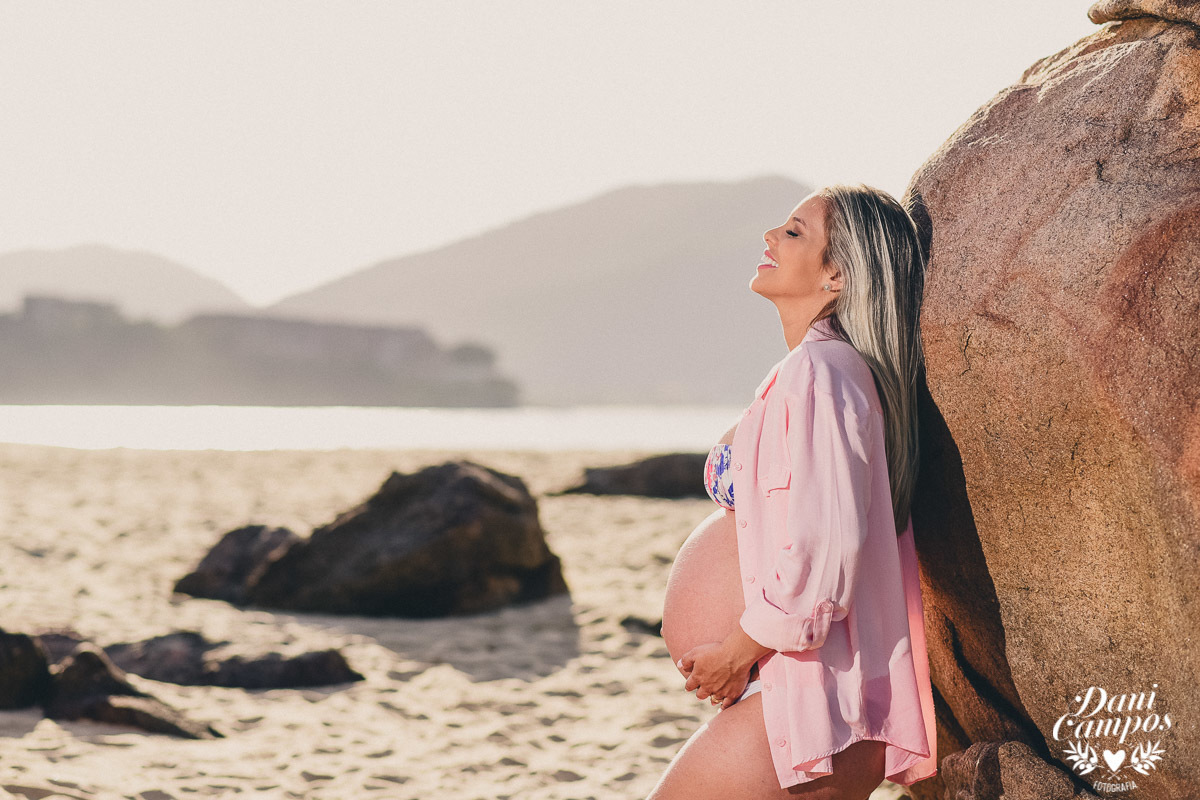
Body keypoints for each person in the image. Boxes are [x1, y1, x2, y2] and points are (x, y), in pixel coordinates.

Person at [649, 184, 937, 799]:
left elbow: (826, 547)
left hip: (803, 696)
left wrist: (735, 650)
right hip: (801, 694)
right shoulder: (821, 370)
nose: (770, 237)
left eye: (795, 231)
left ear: (836, 274)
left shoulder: (822, 373)